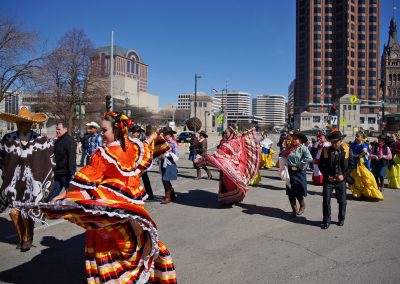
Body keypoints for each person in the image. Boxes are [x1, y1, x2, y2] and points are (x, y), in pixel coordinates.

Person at [29, 112, 177, 283]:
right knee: (136, 243)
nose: (101, 134)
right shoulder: (133, 147)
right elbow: (146, 147)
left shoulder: (106, 153)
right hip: (128, 209)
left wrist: (66, 197)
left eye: (104, 130)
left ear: (117, 130)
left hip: (113, 210)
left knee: (110, 248)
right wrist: (152, 137)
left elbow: (87, 180)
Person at [0, 108, 54, 252]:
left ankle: (28, 237)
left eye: (24, 123)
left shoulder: (40, 140)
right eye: (19, 123)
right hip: (13, 182)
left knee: (28, 211)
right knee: (14, 212)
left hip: (32, 183)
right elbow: (3, 160)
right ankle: (20, 237)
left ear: (31, 124)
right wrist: (6, 175)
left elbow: (48, 161)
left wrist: (42, 178)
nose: (21, 126)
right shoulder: (7, 139)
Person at [195, 125, 260, 205]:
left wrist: (217, 154)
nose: (225, 134)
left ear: (231, 133)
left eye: (226, 133)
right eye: (224, 133)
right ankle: (227, 199)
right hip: (225, 167)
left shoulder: (234, 142)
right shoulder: (225, 141)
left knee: (232, 183)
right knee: (225, 184)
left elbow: (225, 151)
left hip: (232, 167)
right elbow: (220, 149)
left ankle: (233, 198)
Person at [318, 129, 354, 229]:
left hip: (341, 179)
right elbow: (321, 165)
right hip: (328, 179)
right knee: (326, 201)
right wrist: (326, 176)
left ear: (340, 141)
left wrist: (344, 175)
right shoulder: (325, 150)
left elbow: (351, 165)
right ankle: (326, 221)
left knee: (342, 201)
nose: (333, 144)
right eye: (332, 142)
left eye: (335, 142)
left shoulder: (346, 149)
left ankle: (341, 219)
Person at [282, 131, 313, 217]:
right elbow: (283, 155)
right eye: (293, 138)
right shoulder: (290, 148)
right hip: (290, 171)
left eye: (296, 139)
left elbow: (309, 158)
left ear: (300, 140)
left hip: (299, 171)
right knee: (290, 191)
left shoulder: (303, 148)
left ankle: (302, 205)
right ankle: (294, 210)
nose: (294, 140)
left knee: (298, 191)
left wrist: (300, 164)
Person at [349, 131, 383, 200]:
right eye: (356, 136)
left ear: (362, 138)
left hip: (361, 164)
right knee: (356, 179)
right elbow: (350, 150)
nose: (356, 137)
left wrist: (359, 156)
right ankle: (359, 194)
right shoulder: (354, 144)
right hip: (354, 164)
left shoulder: (364, 145)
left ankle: (367, 193)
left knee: (365, 178)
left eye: (358, 136)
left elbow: (365, 152)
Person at [48, 122, 76, 201]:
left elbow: (72, 159)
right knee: (53, 195)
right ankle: (49, 208)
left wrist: (72, 174)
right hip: (57, 173)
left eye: (59, 129)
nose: (57, 131)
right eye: (56, 129)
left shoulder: (70, 141)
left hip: (66, 174)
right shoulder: (57, 141)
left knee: (69, 196)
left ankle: (68, 211)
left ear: (65, 129)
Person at [130, 124, 155, 200]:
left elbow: (147, 148)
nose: (138, 134)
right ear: (132, 132)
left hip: (140, 163)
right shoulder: (128, 140)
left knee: (144, 178)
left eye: (139, 132)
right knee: (132, 180)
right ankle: (133, 194)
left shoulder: (141, 141)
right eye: (136, 132)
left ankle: (149, 193)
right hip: (131, 163)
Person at [159, 127, 179, 204]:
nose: (165, 135)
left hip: (170, 162)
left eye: (166, 134)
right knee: (165, 179)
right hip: (163, 161)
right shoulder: (163, 142)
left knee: (165, 179)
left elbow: (176, 155)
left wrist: (167, 155)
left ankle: (168, 197)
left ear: (170, 134)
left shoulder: (173, 143)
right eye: (164, 134)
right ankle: (172, 194)